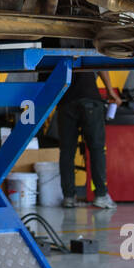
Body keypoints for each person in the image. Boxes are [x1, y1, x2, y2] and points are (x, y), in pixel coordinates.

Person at [55, 69, 121, 209]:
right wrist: (110, 91)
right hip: (89, 98)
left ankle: (68, 197)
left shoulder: (54, 47)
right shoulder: (89, 46)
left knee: (67, 151)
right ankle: (101, 195)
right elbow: (101, 65)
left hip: (65, 101)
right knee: (96, 149)